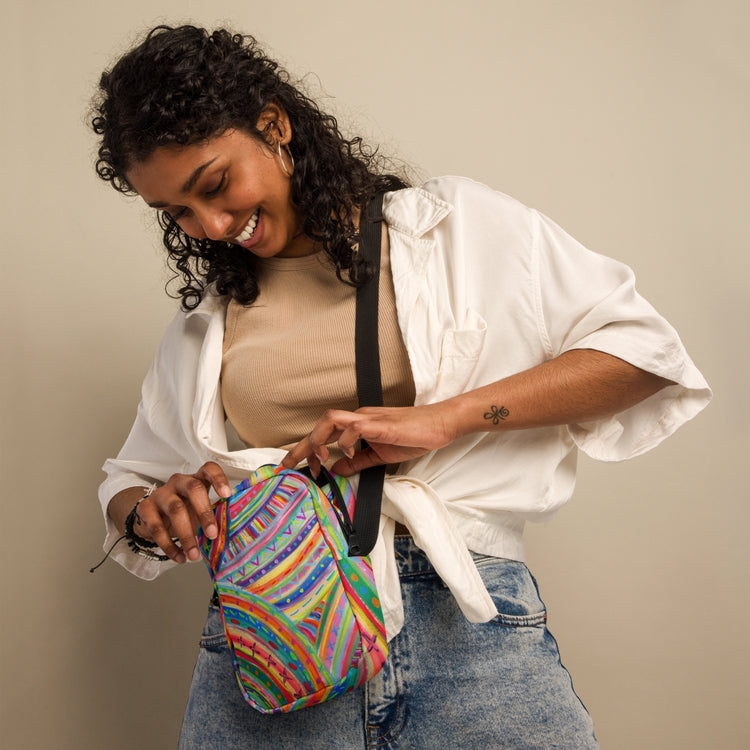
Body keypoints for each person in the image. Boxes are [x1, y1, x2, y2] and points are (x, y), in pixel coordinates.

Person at [92, 24, 711, 750]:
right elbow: (128, 482)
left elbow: (643, 356)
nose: (212, 226)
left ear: (274, 125)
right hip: (277, 636)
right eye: (178, 213)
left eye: (215, 185)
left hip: (466, 627)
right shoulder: (209, 321)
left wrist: (446, 419)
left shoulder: (451, 230)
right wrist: (154, 511)